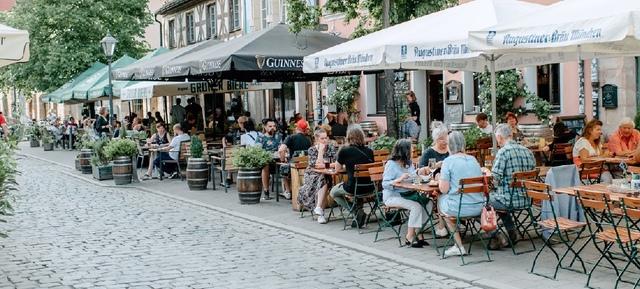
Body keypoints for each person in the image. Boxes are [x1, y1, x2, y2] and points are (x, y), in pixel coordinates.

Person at [437, 131, 485, 256]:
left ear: (449, 145)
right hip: (479, 207)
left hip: (459, 209)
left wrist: (439, 179)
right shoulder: (473, 159)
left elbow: (443, 189)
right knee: (453, 200)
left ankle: (457, 244)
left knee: (441, 200)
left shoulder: (448, 161)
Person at [489, 124, 536, 247]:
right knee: (499, 198)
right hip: (527, 199)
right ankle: (511, 231)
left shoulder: (503, 152)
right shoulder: (528, 151)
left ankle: (496, 235)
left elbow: (495, 178)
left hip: (508, 201)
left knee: (483, 201)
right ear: (511, 135)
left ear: (499, 137)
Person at [382, 139, 429, 248]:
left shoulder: (409, 163)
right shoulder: (391, 164)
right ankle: (410, 236)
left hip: (408, 193)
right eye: (411, 149)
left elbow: (413, 178)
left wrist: (419, 177)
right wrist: (399, 179)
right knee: (416, 206)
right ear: (404, 151)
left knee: (428, 203)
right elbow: (385, 184)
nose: (413, 151)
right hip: (392, 196)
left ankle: (418, 232)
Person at [330, 124, 374, 228]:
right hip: (370, 187)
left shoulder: (345, 150)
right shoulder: (369, 151)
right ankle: (358, 214)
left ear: (348, 137)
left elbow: (337, 169)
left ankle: (355, 211)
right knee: (357, 186)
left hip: (353, 187)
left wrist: (348, 168)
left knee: (333, 193)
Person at [298, 128, 337, 224]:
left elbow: (336, 163)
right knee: (323, 180)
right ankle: (320, 213)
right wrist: (320, 152)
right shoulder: (311, 150)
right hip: (311, 175)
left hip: (325, 174)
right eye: (322, 139)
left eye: (326, 138)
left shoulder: (331, 147)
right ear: (316, 139)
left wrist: (325, 165)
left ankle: (319, 210)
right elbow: (316, 166)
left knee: (324, 179)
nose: (325, 140)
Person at [278, 120, 313, 199]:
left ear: (297, 128)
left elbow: (281, 150)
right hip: (305, 166)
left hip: (294, 166)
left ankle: (288, 191)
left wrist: (283, 160)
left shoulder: (291, 137)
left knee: (283, 167)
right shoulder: (308, 140)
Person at [256, 119, 282, 200]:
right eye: (270, 126)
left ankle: (288, 191)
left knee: (286, 163)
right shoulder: (261, 137)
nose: (272, 128)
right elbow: (257, 150)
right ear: (265, 127)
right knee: (265, 165)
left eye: (274, 126)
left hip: (277, 160)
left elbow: (281, 148)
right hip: (265, 160)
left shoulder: (278, 136)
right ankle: (266, 192)